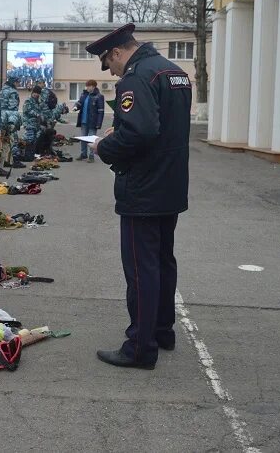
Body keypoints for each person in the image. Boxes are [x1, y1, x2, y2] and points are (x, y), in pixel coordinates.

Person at [88, 23, 192, 370]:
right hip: (170, 184)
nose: (112, 71)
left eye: (109, 64)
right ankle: (162, 331)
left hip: (144, 189)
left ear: (116, 52)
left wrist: (106, 146)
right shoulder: (174, 72)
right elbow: (160, 127)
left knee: (140, 269)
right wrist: (123, 129)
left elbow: (142, 131)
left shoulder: (136, 77)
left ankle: (140, 347)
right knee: (163, 261)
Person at [76, 79, 105, 162]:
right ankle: (83, 154)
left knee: (91, 140)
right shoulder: (84, 95)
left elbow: (101, 111)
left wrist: (99, 123)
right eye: (87, 86)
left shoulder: (99, 96)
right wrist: (76, 106)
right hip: (83, 121)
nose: (87, 87)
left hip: (93, 121)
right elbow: (79, 103)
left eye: (88, 86)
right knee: (83, 139)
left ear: (93, 86)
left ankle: (91, 156)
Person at [0, 72, 25, 168]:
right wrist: (13, 123)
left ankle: (6, 160)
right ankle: (11, 160)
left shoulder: (3, 90)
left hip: (1, 118)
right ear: (14, 82)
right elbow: (13, 109)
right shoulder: (12, 92)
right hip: (8, 119)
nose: (19, 84)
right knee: (11, 140)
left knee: (3, 141)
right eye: (18, 82)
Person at [21, 85, 44, 157]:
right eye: (36, 93)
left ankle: (32, 154)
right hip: (29, 123)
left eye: (38, 94)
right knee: (29, 139)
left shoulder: (37, 101)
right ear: (33, 92)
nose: (37, 95)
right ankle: (27, 155)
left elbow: (40, 109)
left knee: (34, 139)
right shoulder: (28, 100)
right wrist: (37, 114)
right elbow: (27, 110)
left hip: (35, 124)